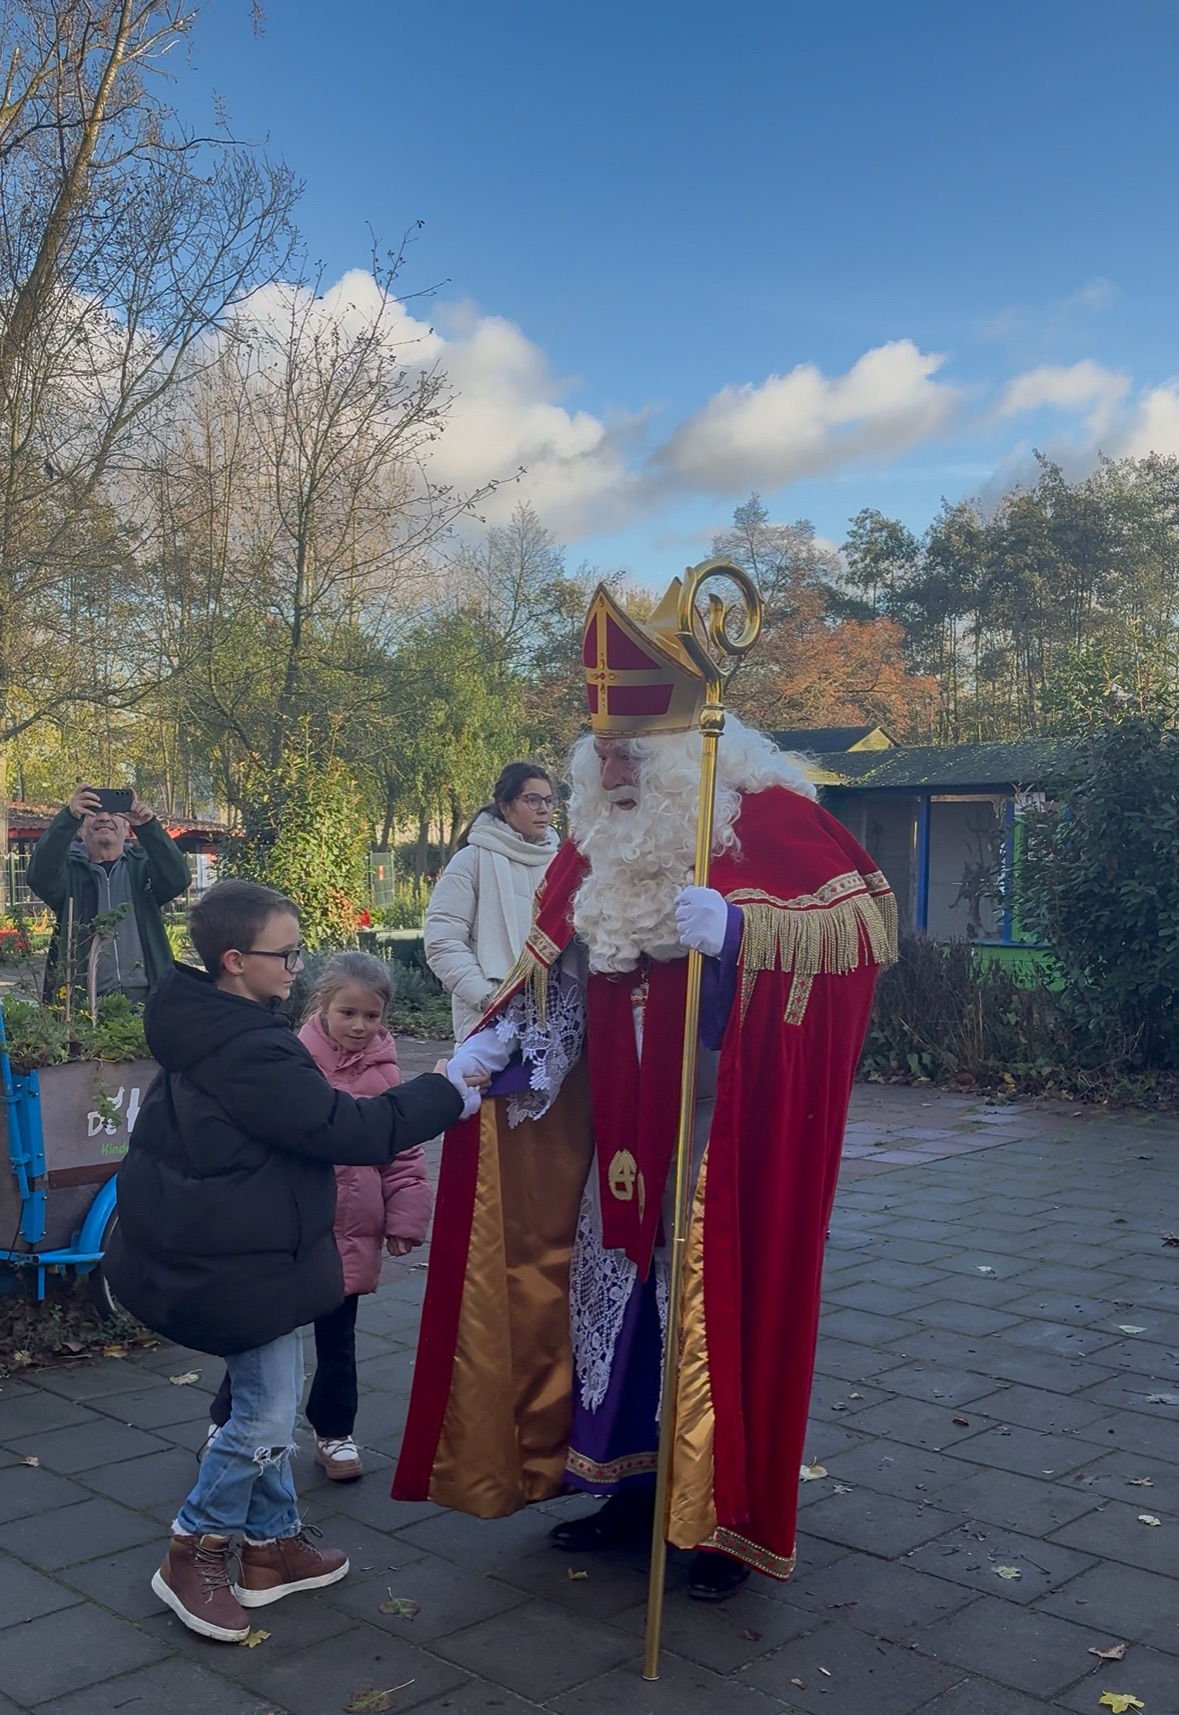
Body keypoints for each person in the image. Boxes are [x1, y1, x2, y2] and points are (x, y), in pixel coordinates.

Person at [394, 578, 896, 1602]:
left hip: (722, 1143)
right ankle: (628, 1486)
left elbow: (860, 932)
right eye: (603, 750)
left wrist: (746, 935)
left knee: (707, 1316)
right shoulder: (593, 842)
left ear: (684, 751)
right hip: (621, 1135)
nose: (614, 766)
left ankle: (714, 1522)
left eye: (633, 750)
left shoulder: (769, 822)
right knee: (611, 1305)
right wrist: (510, 1043)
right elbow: (561, 972)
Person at [103, 880, 480, 1644]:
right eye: (287, 952)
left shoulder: (213, 1023)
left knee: (260, 1394)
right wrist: (450, 1088)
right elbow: (348, 1128)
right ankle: (193, 1551)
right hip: (240, 1261)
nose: (296, 965)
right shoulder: (248, 1046)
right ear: (236, 960)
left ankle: (271, 1544)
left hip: (235, 1247)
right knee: (266, 1411)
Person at [205, 950, 432, 1483]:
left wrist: (404, 1218)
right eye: (347, 1013)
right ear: (322, 1007)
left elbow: (402, 1149)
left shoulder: (387, 1071)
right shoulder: (291, 1060)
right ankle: (229, 1421)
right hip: (294, 1229)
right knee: (264, 1331)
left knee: (338, 1339)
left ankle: (334, 1433)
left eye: (371, 1017)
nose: (358, 1026)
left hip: (351, 1234)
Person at [423, 762, 560, 1041]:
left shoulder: (559, 864)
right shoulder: (472, 860)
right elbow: (442, 940)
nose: (543, 809)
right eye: (532, 800)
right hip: (487, 1020)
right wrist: (488, 998)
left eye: (549, 800)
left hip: (553, 1019)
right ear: (505, 806)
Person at [27, 784, 192, 1002]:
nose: (104, 817)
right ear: (79, 829)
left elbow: (179, 878)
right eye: (93, 812)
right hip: (82, 1003)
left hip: (149, 999)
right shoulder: (68, 876)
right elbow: (39, 876)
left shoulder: (144, 870)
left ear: (128, 828)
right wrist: (68, 817)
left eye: (114, 813)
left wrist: (148, 827)